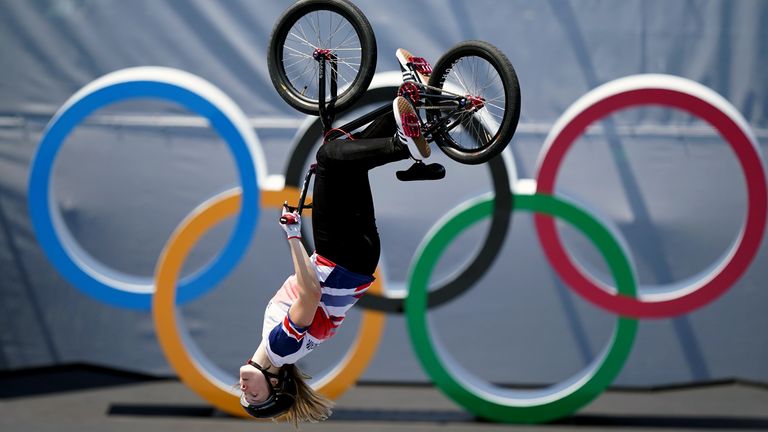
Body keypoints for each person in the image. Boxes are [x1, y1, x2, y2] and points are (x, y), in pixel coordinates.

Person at [238, 49, 442, 426]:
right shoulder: (280, 349)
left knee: (351, 157)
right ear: (276, 385)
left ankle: (418, 96)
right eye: (257, 398)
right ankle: (404, 145)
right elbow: (310, 292)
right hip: (341, 257)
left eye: (244, 398)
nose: (245, 393)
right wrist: (293, 236)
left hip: (358, 259)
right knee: (331, 157)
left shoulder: (285, 350)